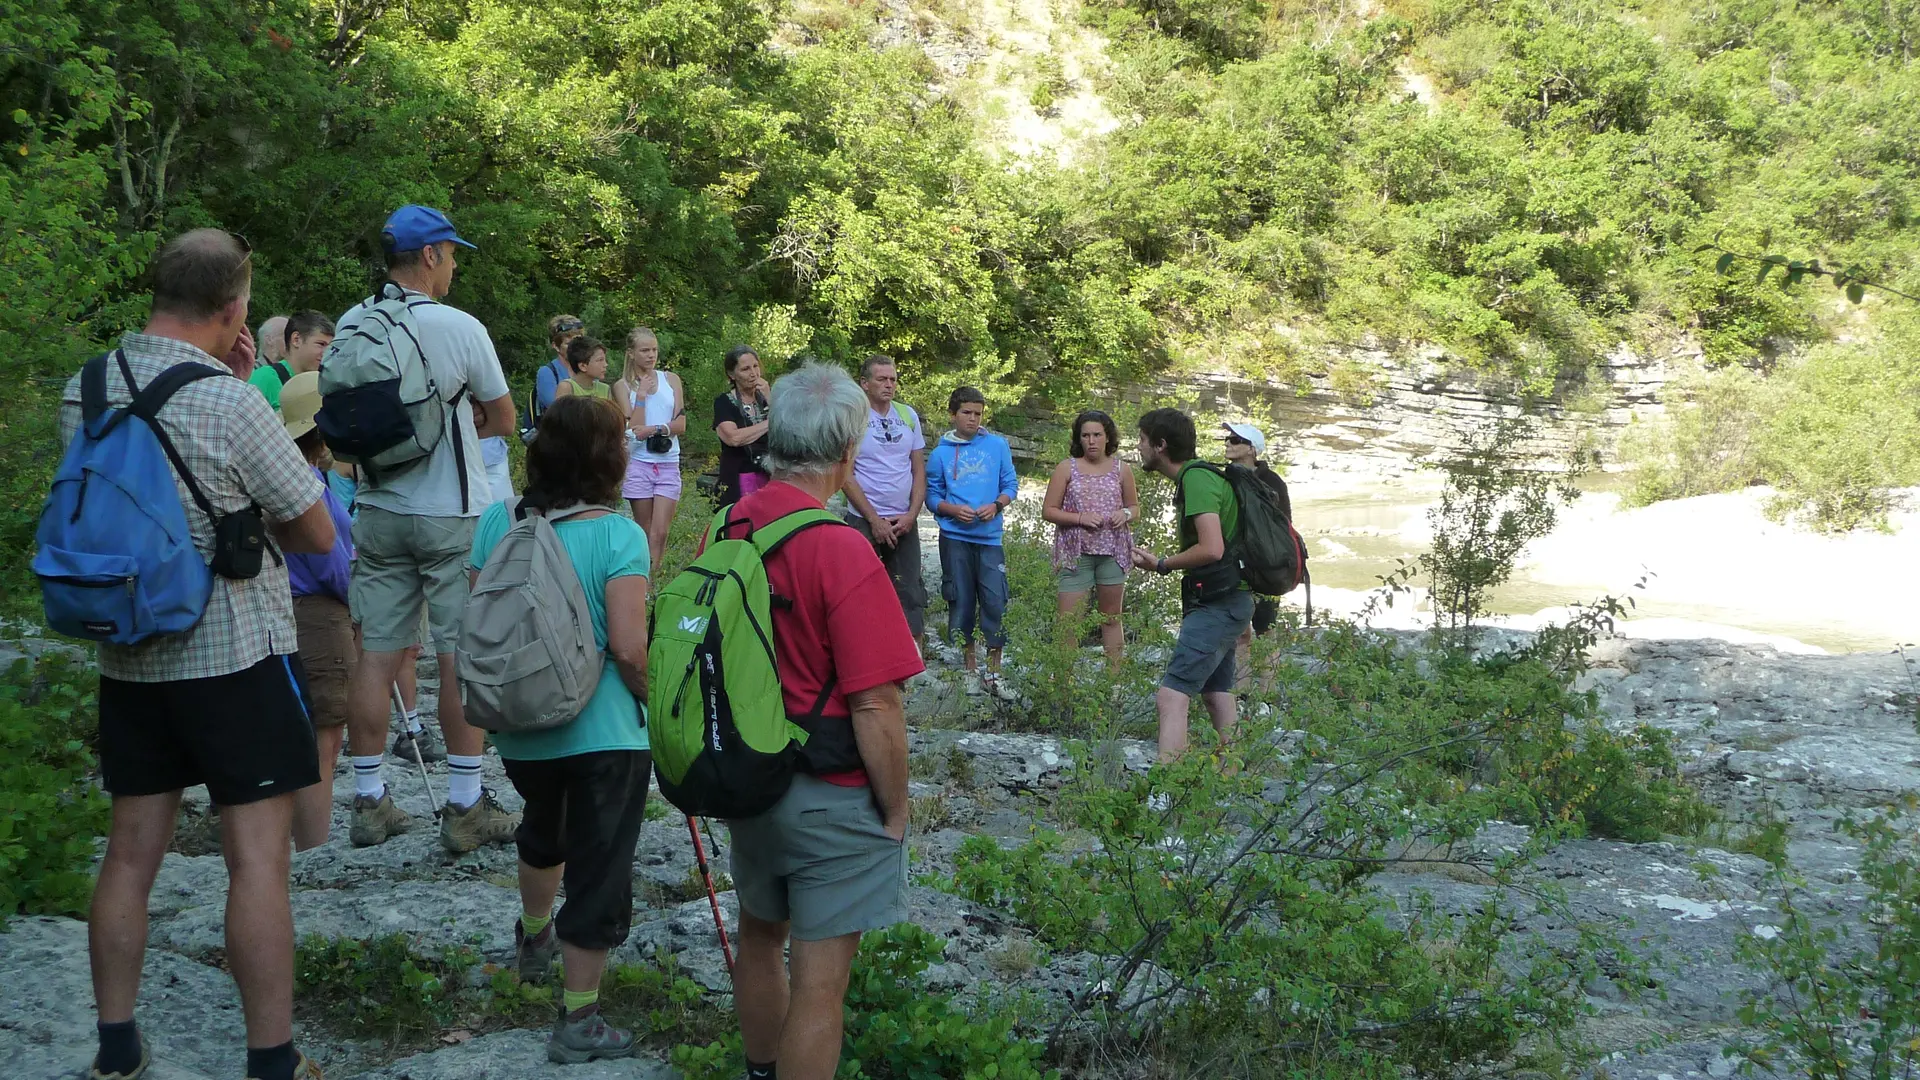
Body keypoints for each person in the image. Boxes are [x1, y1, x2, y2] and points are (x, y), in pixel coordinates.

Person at [63, 229, 336, 1080]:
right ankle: (270, 1059)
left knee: (130, 852)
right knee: (255, 860)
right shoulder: (230, 401)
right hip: (234, 657)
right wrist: (235, 380)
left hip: (129, 657)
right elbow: (314, 530)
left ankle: (116, 1048)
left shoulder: (88, 386)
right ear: (231, 308)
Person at [715, 362, 920, 1080]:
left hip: (749, 775)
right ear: (847, 454)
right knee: (821, 986)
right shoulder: (841, 548)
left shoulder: (730, 523)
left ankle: (760, 1070)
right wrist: (895, 811)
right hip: (827, 793)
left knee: (761, 938)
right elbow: (875, 703)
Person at [468, 396, 654, 1064]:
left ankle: (535, 936)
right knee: (600, 865)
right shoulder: (620, 535)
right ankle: (579, 1018)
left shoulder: (496, 523)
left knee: (543, 828)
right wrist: (652, 701)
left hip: (520, 727)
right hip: (603, 731)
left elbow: (480, 615)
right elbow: (630, 648)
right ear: (608, 458)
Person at [337, 204, 521, 852]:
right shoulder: (458, 327)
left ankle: (368, 799)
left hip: (378, 509)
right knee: (456, 655)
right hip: (449, 515)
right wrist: (461, 421)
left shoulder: (353, 321)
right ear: (431, 255)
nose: (454, 266)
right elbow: (502, 419)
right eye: (452, 254)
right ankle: (465, 806)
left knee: (378, 653)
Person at [1129, 408, 1253, 763]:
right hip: (1230, 599)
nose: (1139, 447)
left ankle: (1170, 790)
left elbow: (1212, 548)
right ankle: (1234, 777)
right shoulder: (1205, 478)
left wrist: (1163, 564)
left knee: (1171, 696)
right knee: (1216, 692)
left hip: (1218, 603)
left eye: (1142, 440)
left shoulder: (1197, 480)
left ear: (1161, 445)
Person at [278, 372, 359, 851]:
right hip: (318, 617)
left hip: (293, 609)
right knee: (323, 740)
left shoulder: (289, 473)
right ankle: (314, 849)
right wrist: (362, 599)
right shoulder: (308, 483)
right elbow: (331, 562)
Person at [925, 386, 1018, 699]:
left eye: (978, 413)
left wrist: (997, 505)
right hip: (954, 538)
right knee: (961, 600)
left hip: (990, 538)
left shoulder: (997, 446)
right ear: (953, 414)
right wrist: (952, 510)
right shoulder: (939, 454)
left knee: (995, 601)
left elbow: (1010, 485)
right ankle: (969, 670)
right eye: (967, 412)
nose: (973, 419)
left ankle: (994, 672)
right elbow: (932, 497)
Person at [1040, 409, 1139, 671]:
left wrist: (1124, 514)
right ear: (1078, 439)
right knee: (1069, 621)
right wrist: (1080, 518)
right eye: (1085, 435)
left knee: (1111, 617)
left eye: (1097, 435)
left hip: (1113, 552)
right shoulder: (1066, 468)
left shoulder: (1122, 469)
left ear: (1108, 438)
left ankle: (1114, 681)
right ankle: (1063, 681)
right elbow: (1048, 510)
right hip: (1076, 553)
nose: (1091, 441)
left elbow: (1135, 508)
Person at [841, 355, 928, 647]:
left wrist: (912, 514)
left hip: (903, 518)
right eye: (882, 379)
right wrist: (874, 520)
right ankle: (862, 649)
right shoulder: (852, 418)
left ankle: (912, 654)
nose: (889, 385)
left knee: (910, 588)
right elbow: (845, 474)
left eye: (892, 379)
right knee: (859, 587)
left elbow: (918, 469)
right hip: (863, 518)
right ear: (864, 383)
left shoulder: (907, 415)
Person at [1222, 422, 1291, 685]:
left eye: (1236, 440)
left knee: (1266, 628)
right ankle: (1241, 692)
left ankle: (1267, 694)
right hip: (1232, 562)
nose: (1229, 443)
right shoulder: (1225, 477)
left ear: (1252, 449)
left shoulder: (1272, 482)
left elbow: (1284, 525)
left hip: (1265, 564)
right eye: (1228, 438)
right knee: (1240, 630)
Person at [613, 326, 684, 564]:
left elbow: (681, 423)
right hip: (639, 462)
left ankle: (654, 581)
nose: (651, 355)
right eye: (644, 350)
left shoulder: (671, 379)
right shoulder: (622, 386)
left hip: (668, 460)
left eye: (654, 350)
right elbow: (633, 430)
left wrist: (657, 429)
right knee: (642, 531)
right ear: (631, 353)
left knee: (660, 532)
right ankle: (640, 581)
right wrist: (641, 395)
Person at [712, 345, 770, 506]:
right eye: (745, 369)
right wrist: (770, 423)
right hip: (739, 477)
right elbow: (734, 438)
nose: (753, 373)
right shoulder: (723, 402)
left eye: (755, 366)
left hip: (771, 475)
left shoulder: (769, 398)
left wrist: (771, 399)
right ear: (732, 374)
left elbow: (787, 431)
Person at [246, 311, 333, 411]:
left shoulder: (323, 384)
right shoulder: (264, 378)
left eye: (330, 346)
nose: (327, 353)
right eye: (321, 344)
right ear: (296, 340)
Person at [532, 314, 586, 421]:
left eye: (579, 342)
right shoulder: (547, 373)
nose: (575, 347)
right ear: (555, 346)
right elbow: (556, 409)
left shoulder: (588, 369)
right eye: (569, 343)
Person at [552, 334, 612, 402]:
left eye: (605, 360)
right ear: (583, 366)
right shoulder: (567, 387)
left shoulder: (605, 389)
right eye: (600, 360)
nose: (606, 364)